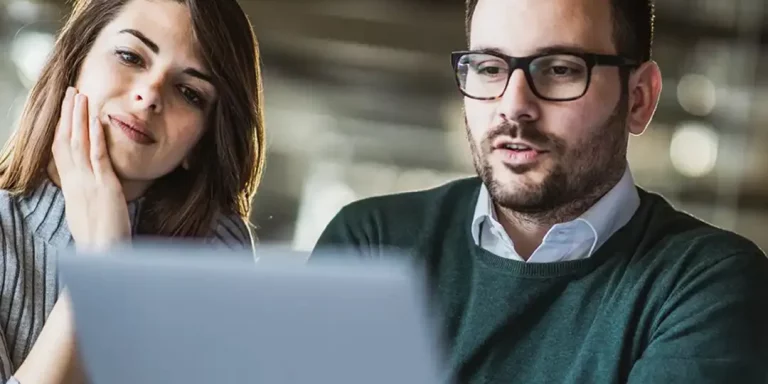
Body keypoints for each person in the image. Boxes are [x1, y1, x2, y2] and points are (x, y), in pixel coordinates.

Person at [312, 0, 768, 382]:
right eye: (489, 67)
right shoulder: (374, 243)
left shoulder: (705, 285)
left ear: (639, 99)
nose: (514, 106)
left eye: (559, 69)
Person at [0, 0, 266, 382]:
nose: (151, 93)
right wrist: (102, 264)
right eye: (130, 56)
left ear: (201, 143)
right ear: (75, 63)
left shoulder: (217, 252)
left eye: (190, 92)